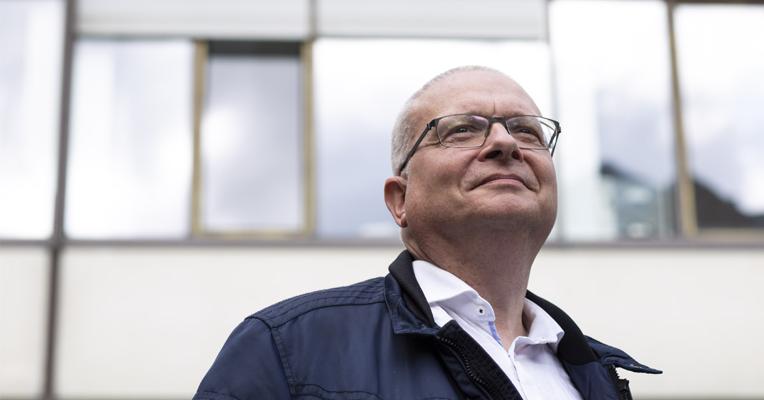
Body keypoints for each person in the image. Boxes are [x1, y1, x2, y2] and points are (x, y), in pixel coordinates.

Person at [193, 66, 660, 400]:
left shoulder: (595, 374)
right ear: (400, 199)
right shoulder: (286, 350)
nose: (505, 143)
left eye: (527, 131)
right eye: (462, 130)